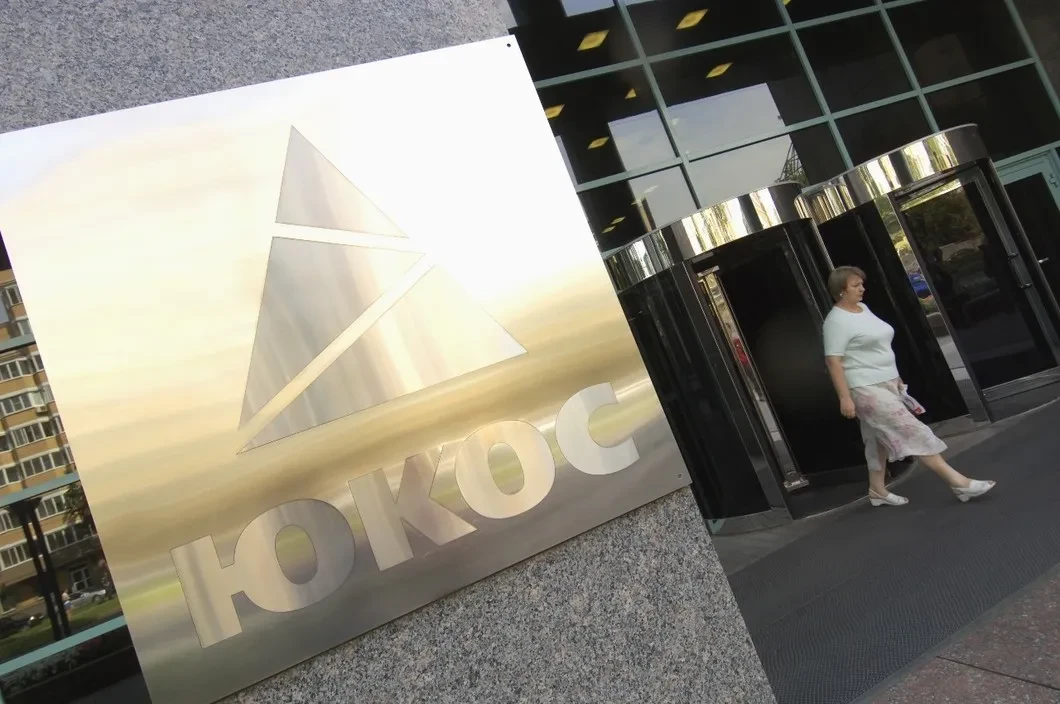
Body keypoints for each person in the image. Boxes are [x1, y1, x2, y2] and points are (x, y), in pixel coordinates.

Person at [822, 266, 995, 507]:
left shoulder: (863, 309)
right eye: (855, 285)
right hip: (864, 388)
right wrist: (845, 397)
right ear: (841, 290)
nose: (862, 288)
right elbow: (833, 362)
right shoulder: (836, 322)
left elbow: (880, 347)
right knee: (911, 431)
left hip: (888, 382)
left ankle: (877, 490)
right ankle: (959, 483)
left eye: (861, 283)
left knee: (876, 439)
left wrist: (896, 377)